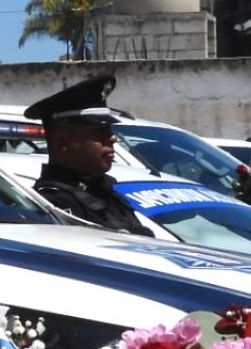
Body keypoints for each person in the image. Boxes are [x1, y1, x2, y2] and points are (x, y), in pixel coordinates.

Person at [24, 75, 156, 236]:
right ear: (62, 141)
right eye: (99, 131)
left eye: (109, 129)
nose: (112, 138)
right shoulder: (52, 204)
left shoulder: (105, 192)